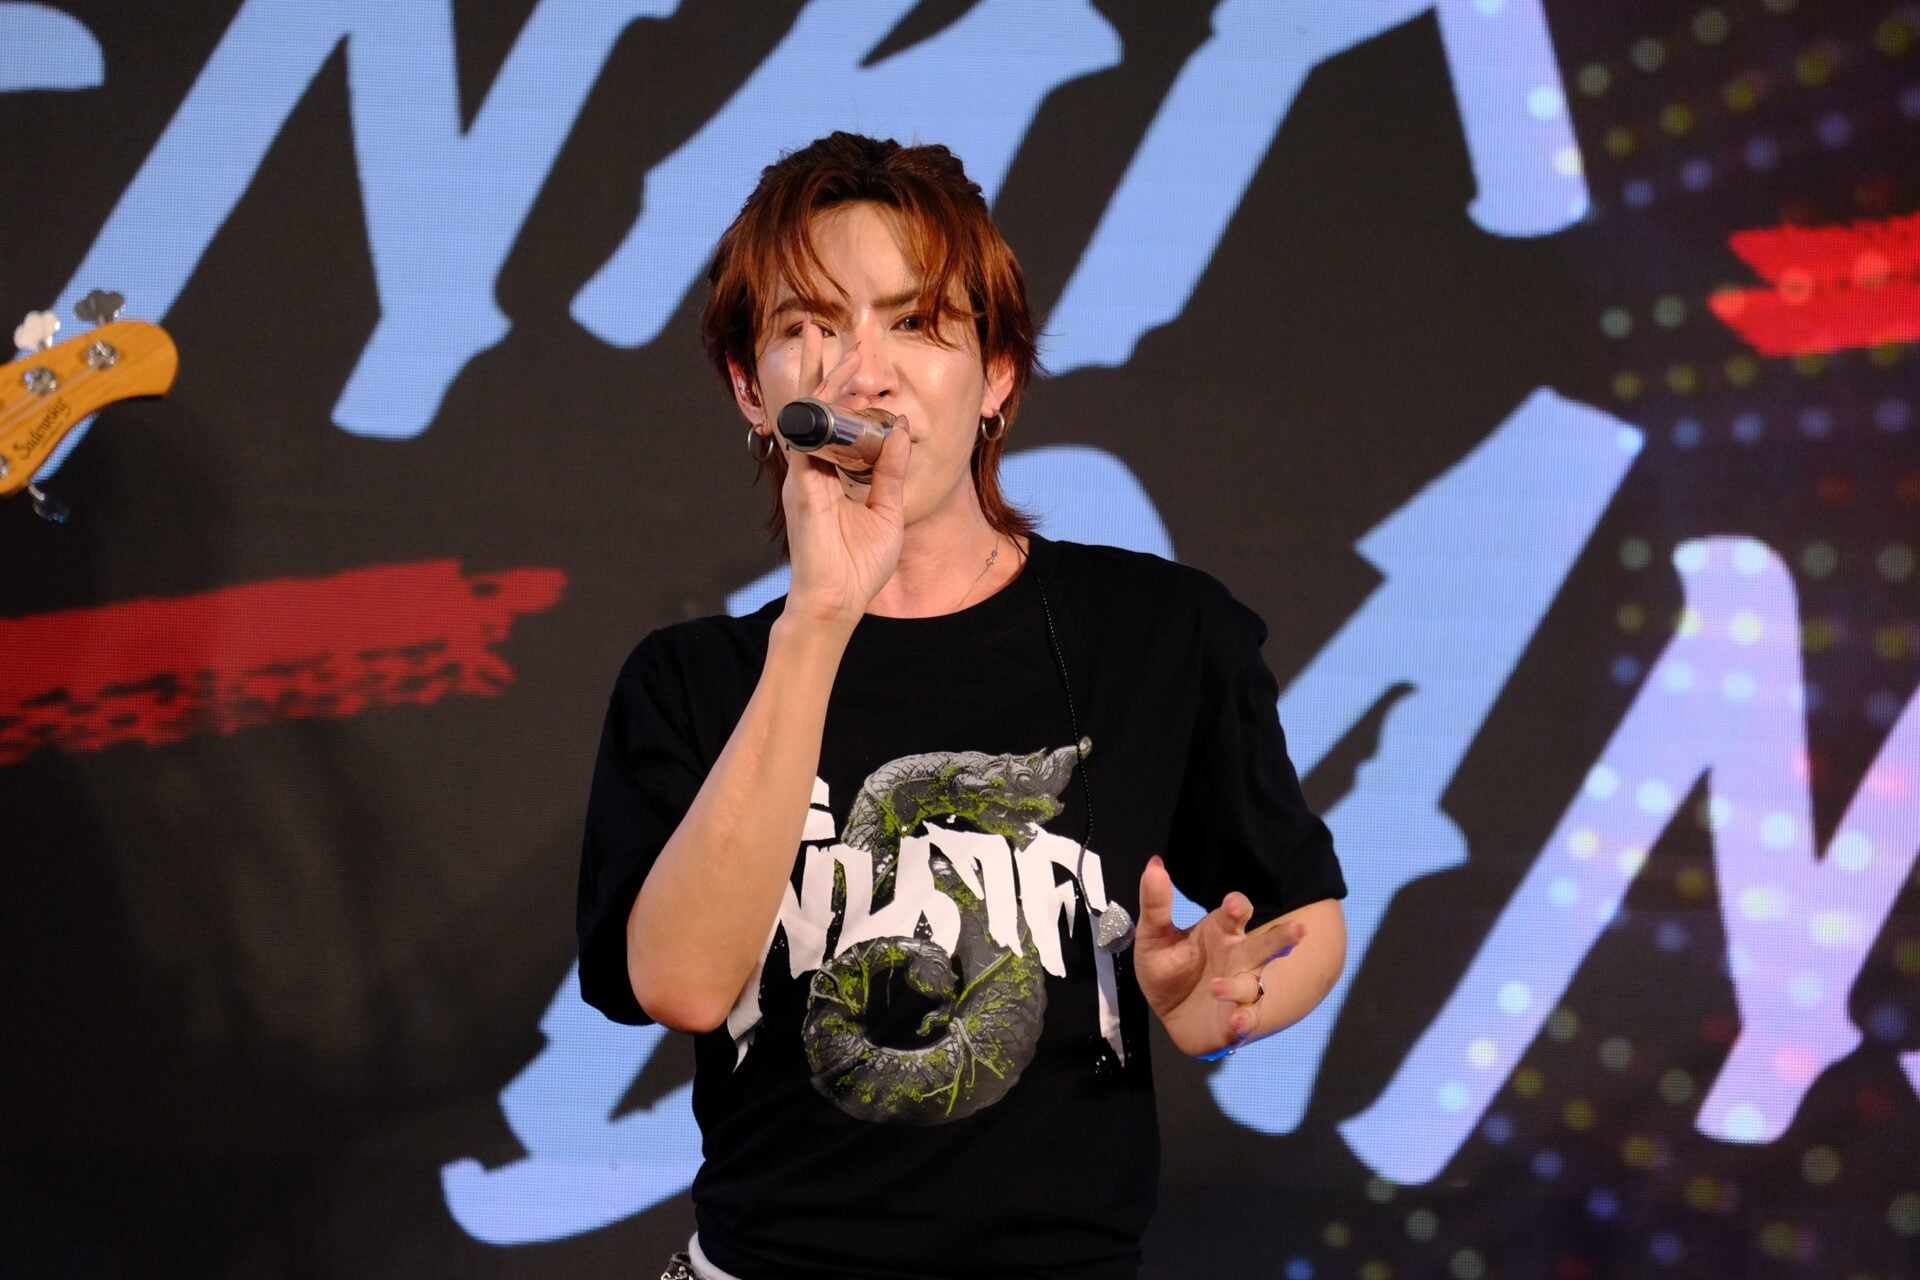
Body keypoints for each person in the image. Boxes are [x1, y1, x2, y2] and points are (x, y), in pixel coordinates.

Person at [577, 131, 1348, 1280]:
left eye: (915, 322)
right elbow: (679, 982)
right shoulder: (692, 681)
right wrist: (821, 618)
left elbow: (1304, 913)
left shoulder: (1157, 632)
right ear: (752, 388)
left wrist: (1222, 1001)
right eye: (810, 325)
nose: (863, 373)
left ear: (996, 376)